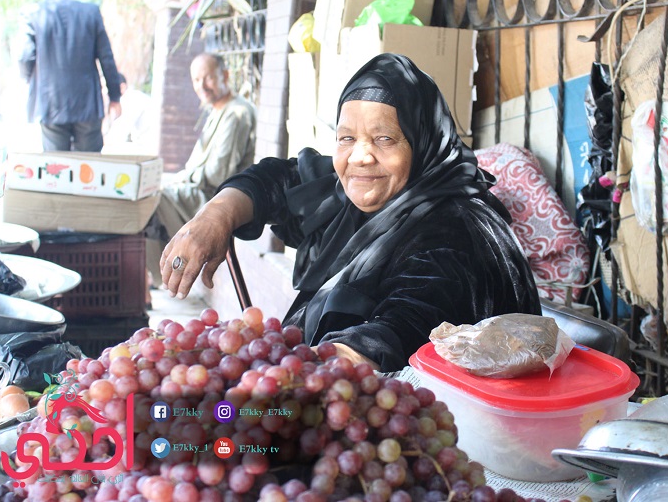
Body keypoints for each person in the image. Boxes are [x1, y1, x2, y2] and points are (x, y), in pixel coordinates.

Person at [160, 53, 540, 371]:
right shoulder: (364, 193)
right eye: (347, 138)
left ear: (422, 142)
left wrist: (282, 379)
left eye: (384, 139)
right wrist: (214, 218)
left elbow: (401, 332)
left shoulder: (456, 230)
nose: (359, 156)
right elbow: (277, 180)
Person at [18, 0, 122, 152]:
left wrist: (28, 80)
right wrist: (115, 96)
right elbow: (106, 57)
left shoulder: (32, 14)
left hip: (50, 104)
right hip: (88, 105)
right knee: (89, 169)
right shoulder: (90, 13)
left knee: (57, 171)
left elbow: (25, 57)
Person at [151, 53, 257, 242]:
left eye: (208, 78)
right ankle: (163, 268)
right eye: (196, 80)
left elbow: (218, 176)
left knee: (152, 200)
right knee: (148, 192)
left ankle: (168, 268)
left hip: (216, 200)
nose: (202, 86)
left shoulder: (236, 113)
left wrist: (184, 177)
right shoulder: (217, 110)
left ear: (224, 75)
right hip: (199, 189)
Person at [102, 73, 157, 155]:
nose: (105, 94)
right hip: (145, 146)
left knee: (107, 150)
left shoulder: (131, 99)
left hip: (148, 148)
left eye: (107, 90)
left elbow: (118, 135)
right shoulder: (130, 97)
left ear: (122, 87)